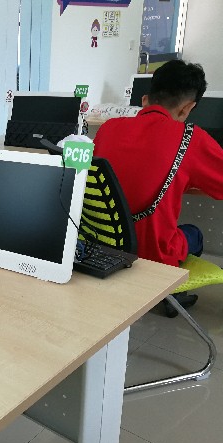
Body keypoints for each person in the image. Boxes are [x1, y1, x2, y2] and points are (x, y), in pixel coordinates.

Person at [93, 60, 223, 310]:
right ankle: (170, 295)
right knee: (194, 233)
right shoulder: (190, 138)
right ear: (187, 108)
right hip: (154, 255)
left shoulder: (108, 129)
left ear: (145, 100)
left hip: (105, 247)